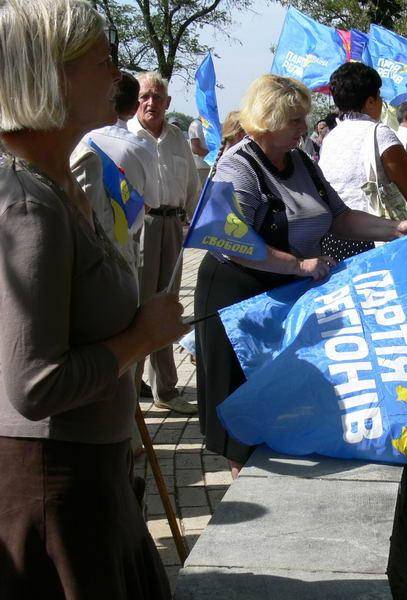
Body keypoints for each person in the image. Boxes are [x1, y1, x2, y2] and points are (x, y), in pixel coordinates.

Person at [0, 1, 189, 596]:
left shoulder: (56, 182)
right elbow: (35, 386)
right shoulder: (28, 203)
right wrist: (141, 338)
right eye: (103, 60)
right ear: (50, 74)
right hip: (57, 490)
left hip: (89, 476)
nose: (117, 76)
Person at [195, 74, 407, 478]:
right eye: (294, 120)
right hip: (237, 300)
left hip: (283, 294)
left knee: (279, 399)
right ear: (268, 120)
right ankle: (243, 483)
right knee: (242, 412)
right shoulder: (238, 165)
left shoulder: (302, 161)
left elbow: (340, 218)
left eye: (303, 118)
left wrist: (395, 227)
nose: (304, 128)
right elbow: (230, 241)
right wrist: (297, 265)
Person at [129, 72, 200, 413]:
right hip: (138, 227)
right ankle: (129, 392)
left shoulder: (177, 139)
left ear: (168, 102)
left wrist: (195, 222)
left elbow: (191, 186)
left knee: (168, 304)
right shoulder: (125, 135)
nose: (151, 102)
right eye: (145, 96)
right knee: (138, 308)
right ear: (135, 100)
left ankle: (166, 391)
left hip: (172, 225)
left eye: (158, 97)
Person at [318, 62, 407, 260]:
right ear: (370, 101)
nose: (382, 102)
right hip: (377, 238)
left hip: (334, 241)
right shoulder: (380, 133)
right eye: (379, 96)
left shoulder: (329, 139)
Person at [70, 72, 160, 271]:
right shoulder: (145, 149)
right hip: (121, 248)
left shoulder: (78, 138)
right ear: (135, 108)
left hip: (78, 245)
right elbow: (149, 204)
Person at [188, 117, 211, 185]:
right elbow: (196, 149)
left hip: (210, 168)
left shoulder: (208, 125)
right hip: (200, 169)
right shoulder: (195, 125)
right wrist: (213, 155)